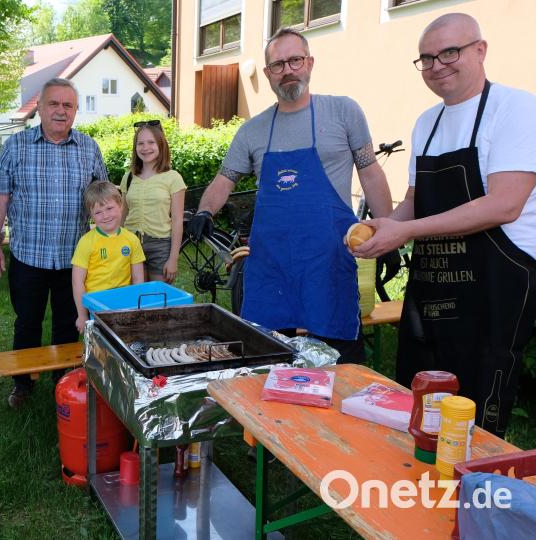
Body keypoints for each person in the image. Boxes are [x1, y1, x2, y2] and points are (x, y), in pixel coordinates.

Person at [354, 13, 536, 438]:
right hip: (433, 284)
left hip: (495, 284)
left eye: (449, 52)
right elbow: (414, 202)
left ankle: (475, 475)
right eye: (427, 58)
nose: (437, 66)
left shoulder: (517, 109)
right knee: (418, 392)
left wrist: (406, 232)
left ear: (480, 50)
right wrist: (385, 228)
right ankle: (413, 471)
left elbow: (504, 205)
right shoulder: (427, 123)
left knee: (475, 403)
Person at [186, 28, 392, 363]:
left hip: (327, 263)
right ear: (268, 73)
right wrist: (205, 211)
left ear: (309, 62)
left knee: (340, 364)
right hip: (271, 267)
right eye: (278, 65)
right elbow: (225, 179)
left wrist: (389, 230)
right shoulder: (252, 130)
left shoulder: (343, 112)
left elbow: (370, 171)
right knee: (267, 359)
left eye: (295, 60)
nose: (288, 70)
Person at [0, 78, 109, 409]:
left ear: (76, 111)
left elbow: (104, 199)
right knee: (27, 322)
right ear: (39, 108)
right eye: (54, 104)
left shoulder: (89, 148)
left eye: (68, 105)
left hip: (74, 261)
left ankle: (63, 383)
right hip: (28, 256)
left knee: (69, 324)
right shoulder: (16, 146)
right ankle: (23, 383)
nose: (60, 111)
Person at [72, 181, 146, 332]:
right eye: (98, 212)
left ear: (120, 205)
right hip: (97, 308)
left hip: (125, 305)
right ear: (91, 215)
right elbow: (77, 282)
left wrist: (138, 308)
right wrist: (82, 315)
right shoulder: (86, 242)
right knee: (100, 344)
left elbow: (138, 279)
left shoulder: (132, 240)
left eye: (109, 208)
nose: (105, 216)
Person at [120, 120, 186, 283]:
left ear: (161, 145)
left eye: (151, 142)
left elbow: (177, 220)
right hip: (131, 243)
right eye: (140, 143)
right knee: (135, 295)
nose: (145, 148)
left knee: (157, 296)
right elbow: (122, 214)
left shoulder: (173, 178)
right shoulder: (128, 177)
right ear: (135, 147)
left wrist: (173, 259)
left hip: (160, 246)